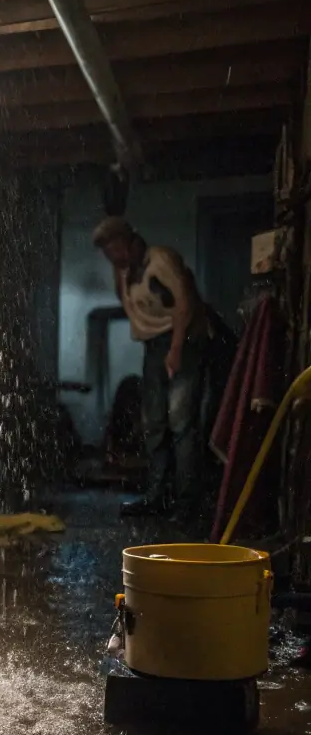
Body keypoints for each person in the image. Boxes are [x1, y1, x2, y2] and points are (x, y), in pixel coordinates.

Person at [92, 216, 211, 522]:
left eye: (116, 249)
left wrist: (176, 349)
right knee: (154, 423)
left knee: (181, 424)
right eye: (108, 253)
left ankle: (187, 506)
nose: (113, 257)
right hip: (153, 346)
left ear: (131, 242)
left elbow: (185, 302)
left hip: (180, 340)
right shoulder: (126, 272)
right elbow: (127, 301)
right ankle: (157, 497)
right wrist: (119, 270)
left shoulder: (160, 259)